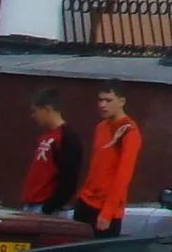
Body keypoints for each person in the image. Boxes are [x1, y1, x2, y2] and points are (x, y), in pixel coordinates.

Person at [73, 86, 142, 237]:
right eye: (100, 100)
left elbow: (123, 175)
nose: (102, 105)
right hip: (86, 200)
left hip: (105, 208)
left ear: (121, 101)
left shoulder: (129, 131)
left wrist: (108, 212)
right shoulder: (101, 127)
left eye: (108, 100)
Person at [18, 90, 85, 218]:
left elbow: (69, 177)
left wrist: (50, 206)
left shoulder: (67, 137)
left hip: (44, 207)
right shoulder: (45, 136)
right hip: (32, 203)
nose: (33, 116)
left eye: (35, 111)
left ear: (47, 109)